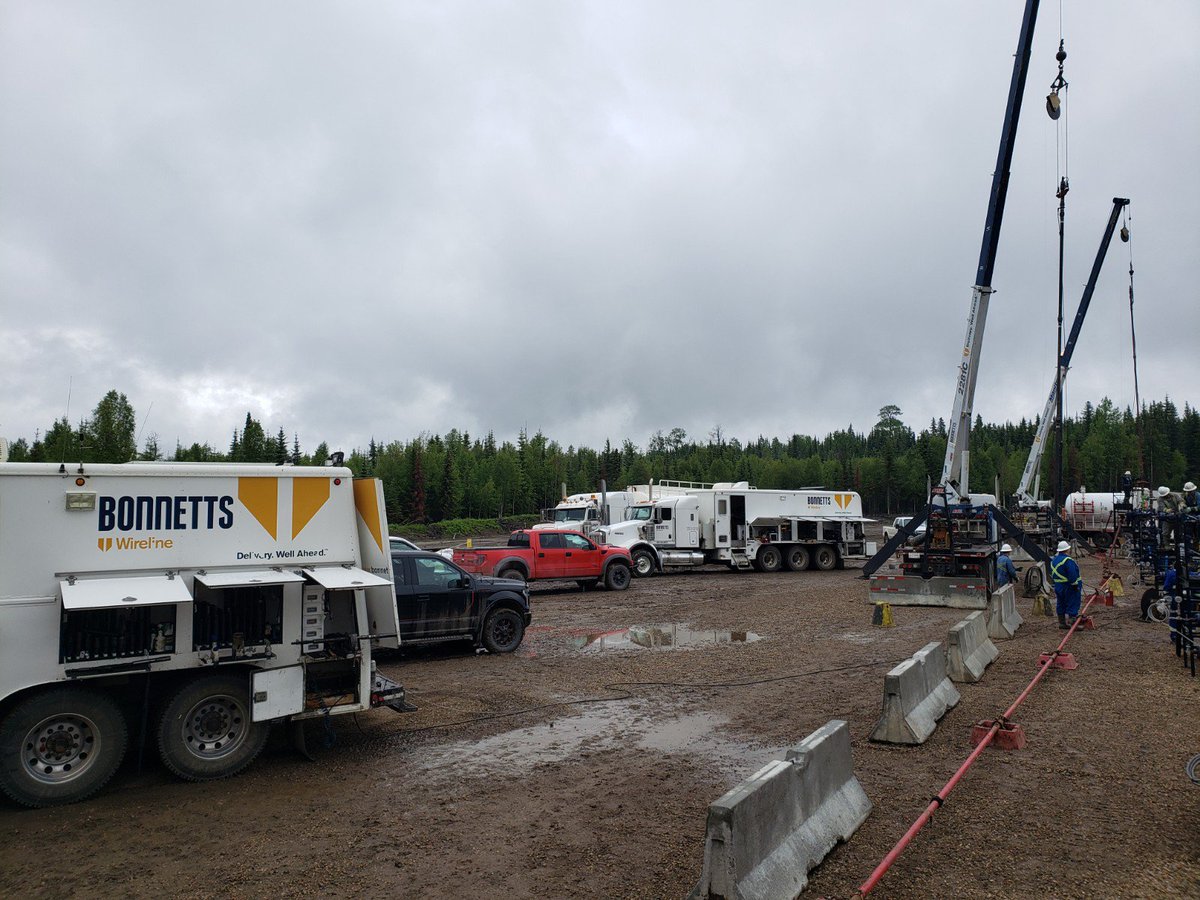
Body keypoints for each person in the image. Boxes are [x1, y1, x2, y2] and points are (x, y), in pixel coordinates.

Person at [1050, 539, 1083, 629]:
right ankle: (1073, 624)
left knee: (1061, 603)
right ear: (1067, 549)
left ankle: (1062, 623)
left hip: (1058, 586)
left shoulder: (1054, 560)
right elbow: (1072, 573)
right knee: (1073, 602)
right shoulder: (1067, 560)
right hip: (1069, 586)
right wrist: (1075, 584)